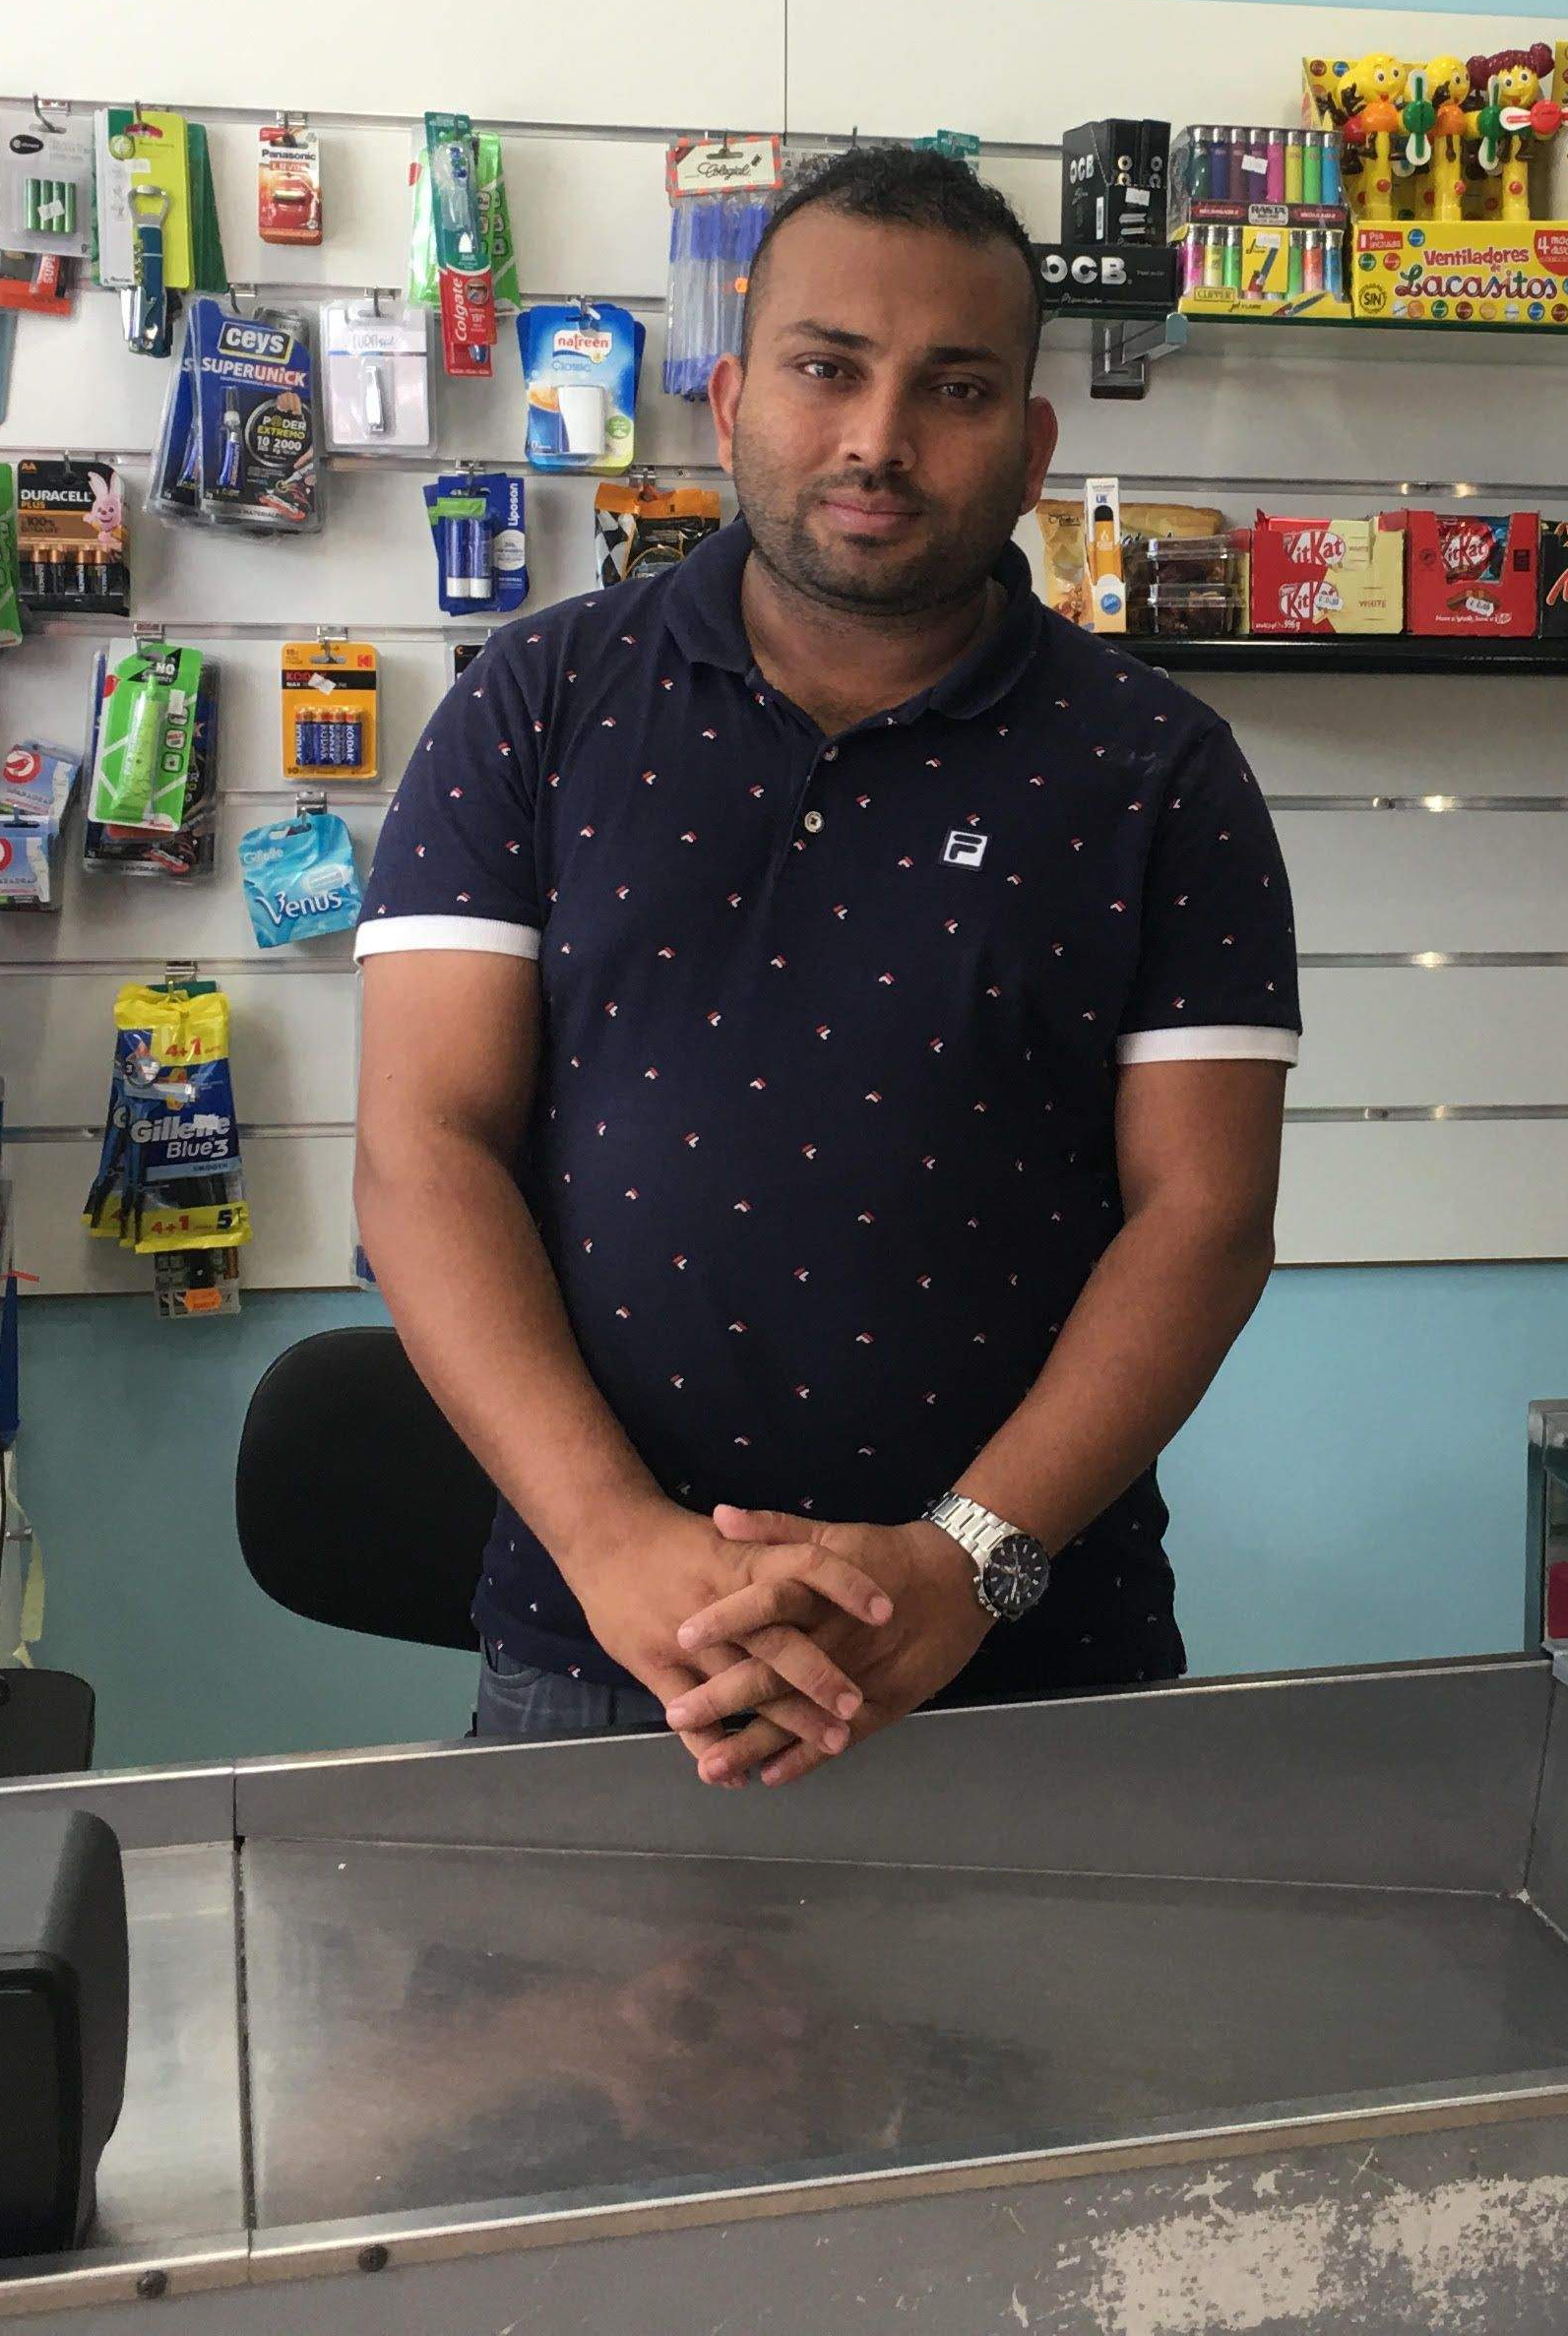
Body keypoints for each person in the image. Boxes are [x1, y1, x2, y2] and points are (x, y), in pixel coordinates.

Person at [349, 143, 1299, 1788]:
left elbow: (1205, 1217)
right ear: (729, 398)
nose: (876, 437)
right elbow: (420, 1147)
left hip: (1027, 1652)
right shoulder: (536, 700)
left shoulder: (1158, 767)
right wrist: (619, 1544)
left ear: (1032, 442)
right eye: (825, 368)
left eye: (953, 386)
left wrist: (965, 1558)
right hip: (606, 1651)